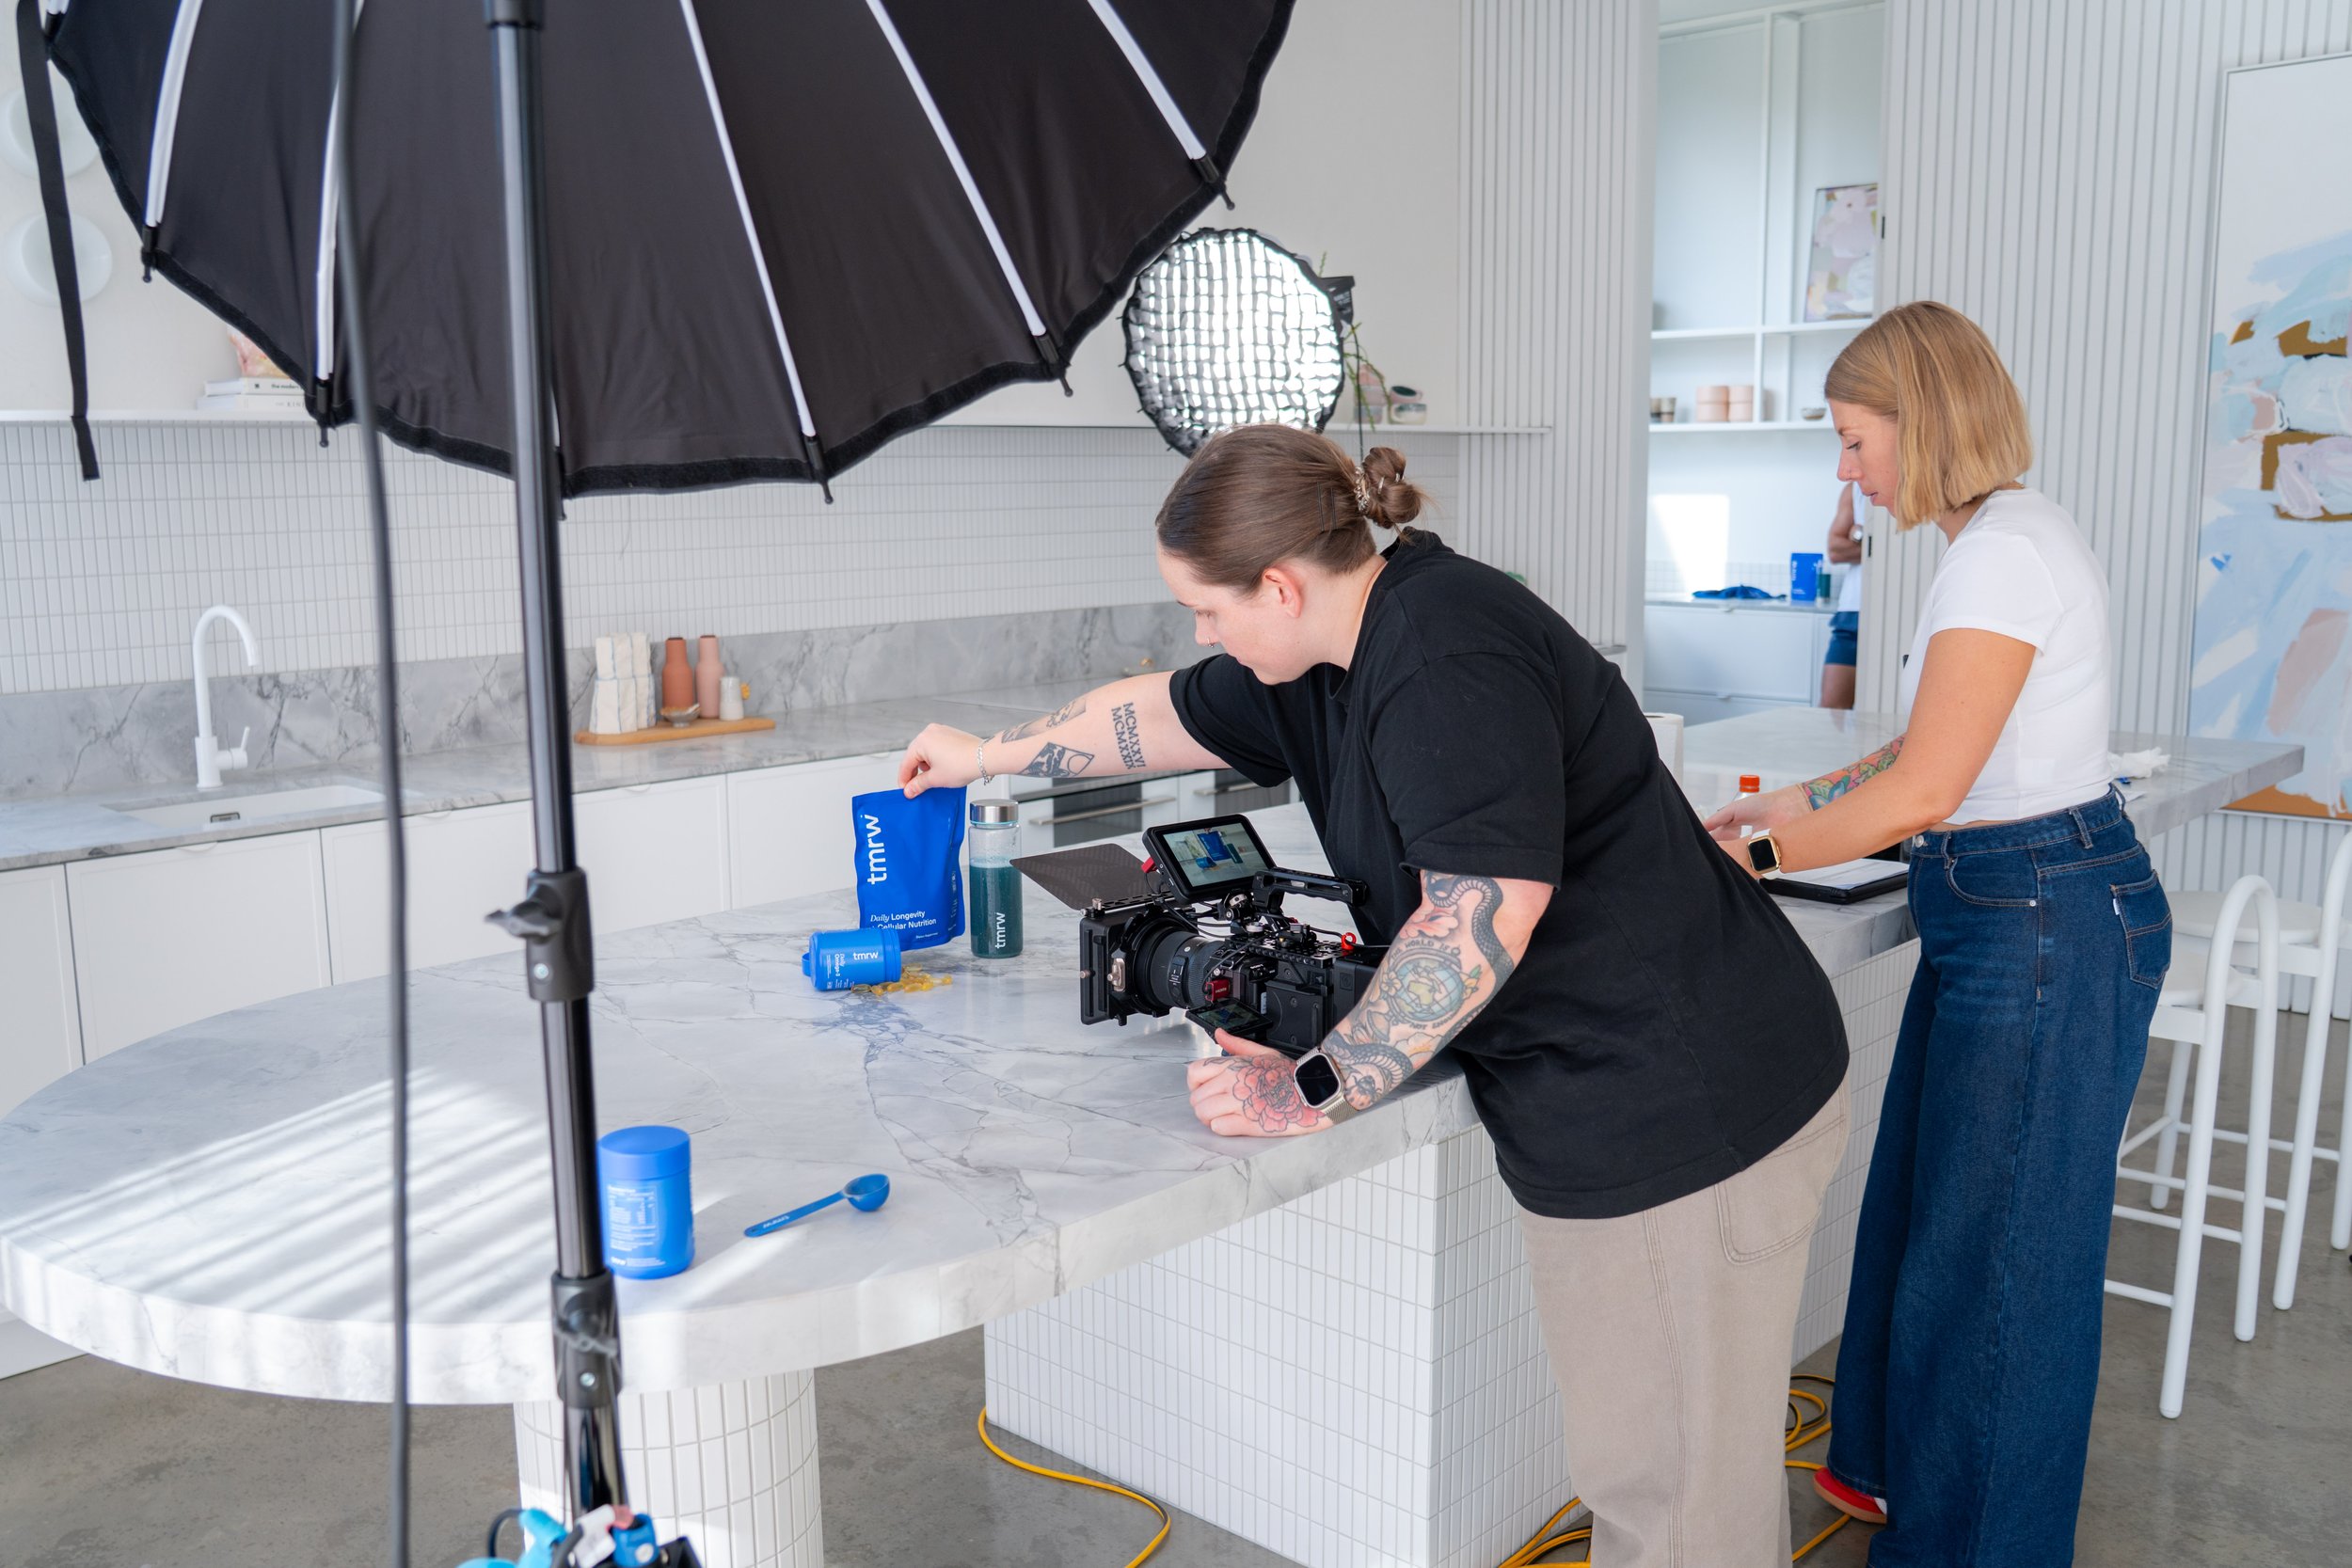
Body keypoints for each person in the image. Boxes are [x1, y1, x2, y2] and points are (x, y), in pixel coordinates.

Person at [900, 425, 1851, 1566]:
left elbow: (1480, 917)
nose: (1199, 634)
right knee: (1653, 1477)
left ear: (1279, 584)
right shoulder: (1319, 655)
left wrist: (1309, 1089)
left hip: (1684, 1107)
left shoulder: (1442, 657)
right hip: (1624, 1091)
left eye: (1207, 609)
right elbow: (1157, 714)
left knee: (1677, 1502)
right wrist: (985, 755)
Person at [1706, 301, 2167, 1566]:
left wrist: (1750, 859)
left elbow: (1925, 791)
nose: (1845, 469)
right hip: (2015, 910)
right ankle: (1904, 1491)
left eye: (1855, 438)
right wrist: (1788, 804)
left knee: (1998, 1271)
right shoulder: (2000, 539)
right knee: (1935, 1223)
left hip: (2039, 919)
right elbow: (1928, 744)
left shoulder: (2001, 555)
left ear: (1925, 420)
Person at [1821, 481, 1863, 708]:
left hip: (1894, 615)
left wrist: (1858, 535)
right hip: (1850, 615)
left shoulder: (1916, 481)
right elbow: (1835, 549)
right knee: (1830, 711)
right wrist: (1869, 542)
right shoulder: (1854, 490)